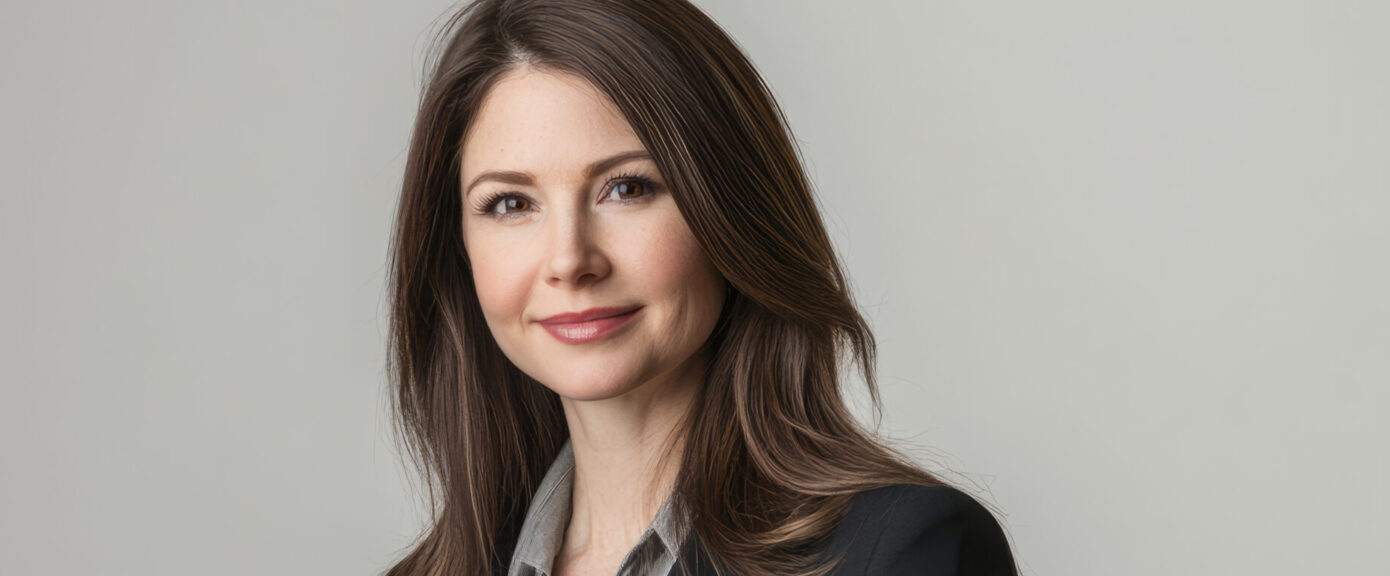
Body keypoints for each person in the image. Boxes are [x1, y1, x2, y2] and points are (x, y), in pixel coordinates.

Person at [382, 0, 1020, 574]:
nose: (570, 260)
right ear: (457, 248)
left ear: (730, 212)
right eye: (510, 203)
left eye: (628, 187)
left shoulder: (905, 551)